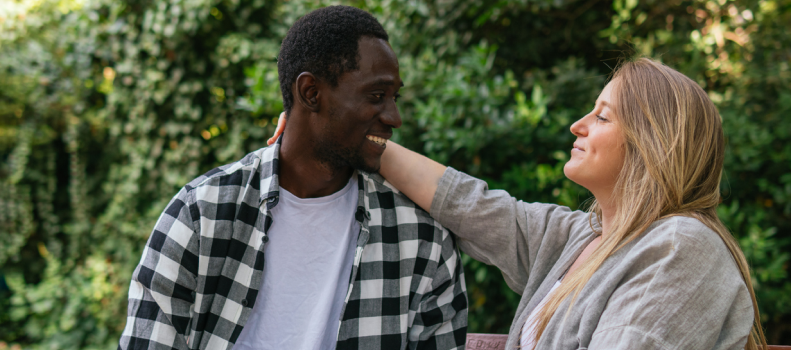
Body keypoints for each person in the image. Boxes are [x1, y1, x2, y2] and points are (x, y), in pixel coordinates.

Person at [270, 57, 768, 349]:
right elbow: (469, 205)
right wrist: (344, 136)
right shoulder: (581, 239)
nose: (578, 125)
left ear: (652, 140)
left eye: (603, 115)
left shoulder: (683, 247)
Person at [118, 6, 467, 350]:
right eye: (377, 96)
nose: (395, 117)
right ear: (310, 93)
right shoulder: (201, 216)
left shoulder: (422, 240)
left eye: (395, 97)